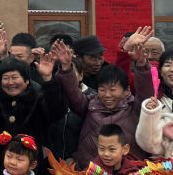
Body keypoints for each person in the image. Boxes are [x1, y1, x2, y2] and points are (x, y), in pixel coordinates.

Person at [0, 40, 65, 175]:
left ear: (27, 81)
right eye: (6, 78)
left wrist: (48, 79)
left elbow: (56, 113)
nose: (10, 83)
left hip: (32, 169)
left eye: (15, 77)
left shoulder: (37, 98)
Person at [54, 40, 152, 168]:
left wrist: (142, 65)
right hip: (90, 171)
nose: (107, 95)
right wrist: (66, 67)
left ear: (127, 90)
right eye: (102, 89)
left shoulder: (135, 107)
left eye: (112, 90)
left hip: (128, 172)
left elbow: (145, 91)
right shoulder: (89, 104)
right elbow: (72, 91)